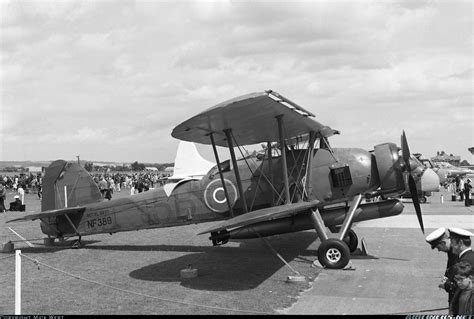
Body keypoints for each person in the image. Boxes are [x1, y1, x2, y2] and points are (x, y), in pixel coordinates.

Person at [426, 227, 459, 303]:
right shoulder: (451, 251)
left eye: (438, 247)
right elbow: (450, 268)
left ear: (443, 243)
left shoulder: (456, 252)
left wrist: (446, 285)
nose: (439, 250)